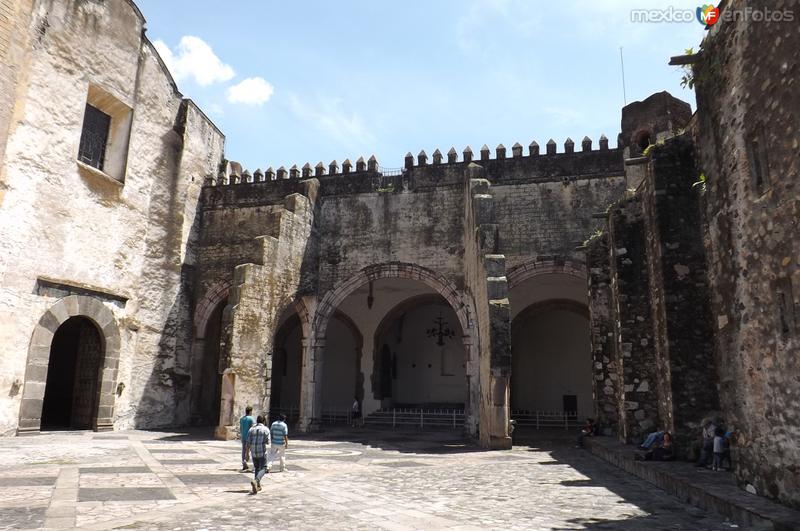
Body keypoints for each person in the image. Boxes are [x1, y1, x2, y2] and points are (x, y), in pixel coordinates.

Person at [245, 415, 270, 494]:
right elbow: (267, 441)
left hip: (253, 452)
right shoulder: (265, 429)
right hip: (262, 452)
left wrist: (247, 453)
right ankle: (256, 480)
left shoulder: (251, 429)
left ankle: (257, 486)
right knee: (264, 468)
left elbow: (248, 442)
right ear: (264, 421)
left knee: (256, 468)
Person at [238, 406, 255, 471]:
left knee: (243, 450)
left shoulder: (242, 418)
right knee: (251, 450)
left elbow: (241, 428)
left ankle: (244, 462)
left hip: (243, 436)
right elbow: (252, 428)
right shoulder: (251, 419)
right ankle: (252, 463)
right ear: (250, 411)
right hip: (249, 437)